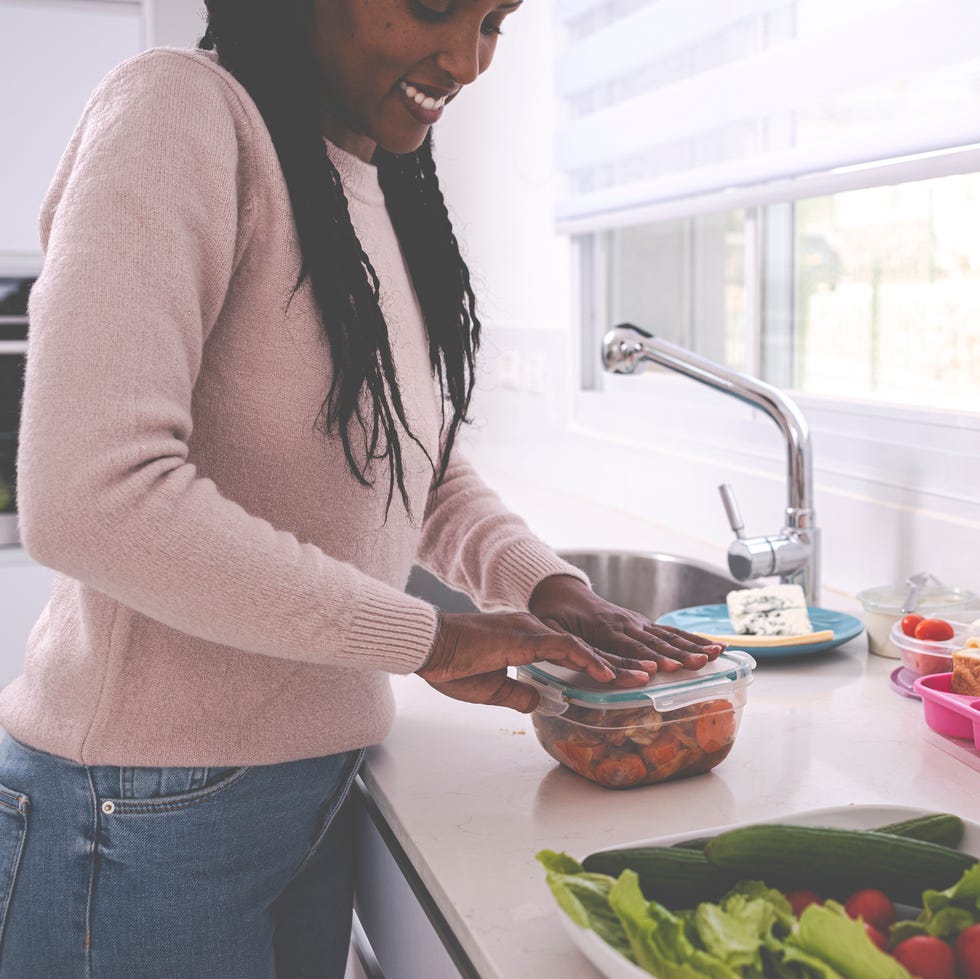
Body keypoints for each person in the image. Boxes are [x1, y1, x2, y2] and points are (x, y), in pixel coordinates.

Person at [0, 1, 723, 976]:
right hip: (140, 809)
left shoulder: (372, 182)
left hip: (311, 780)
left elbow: (401, 458)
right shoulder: (177, 113)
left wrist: (549, 586)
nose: (465, 60)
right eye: (432, 7)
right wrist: (423, 634)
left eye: (494, 22)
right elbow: (92, 497)